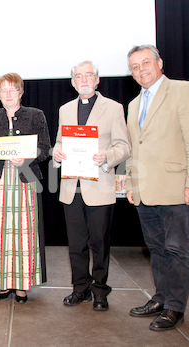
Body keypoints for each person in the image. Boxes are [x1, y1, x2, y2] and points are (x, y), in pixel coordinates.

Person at [125, 45, 189, 331]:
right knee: (156, 248)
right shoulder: (134, 104)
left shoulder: (184, 91)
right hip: (146, 190)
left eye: (145, 63)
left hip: (177, 188)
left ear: (160, 62)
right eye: (135, 67)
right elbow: (135, 149)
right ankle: (160, 298)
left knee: (177, 250)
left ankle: (176, 307)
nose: (141, 70)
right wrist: (131, 183)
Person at [52, 61, 130, 311]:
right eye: (78, 76)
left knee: (99, 243)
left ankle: (100, 291)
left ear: (97, 80)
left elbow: (124, 146)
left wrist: (107, 156)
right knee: (75, 245)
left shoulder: (114, 108)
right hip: (71, 187)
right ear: (72, 82)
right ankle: (80, 289)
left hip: (99, 186)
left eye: (88, 75)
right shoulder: (65, 109)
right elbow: (59, 143)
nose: (83, 79)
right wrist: (57, 154)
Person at [0, 73, 50, 303]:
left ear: (21, 92)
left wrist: (28, 159)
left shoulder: (35, 115)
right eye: (3, 90)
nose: (8, 94)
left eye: (13, 90)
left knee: (24, 235)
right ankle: (2, 284)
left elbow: (44, 148)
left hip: (25, 179)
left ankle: (21, 286)